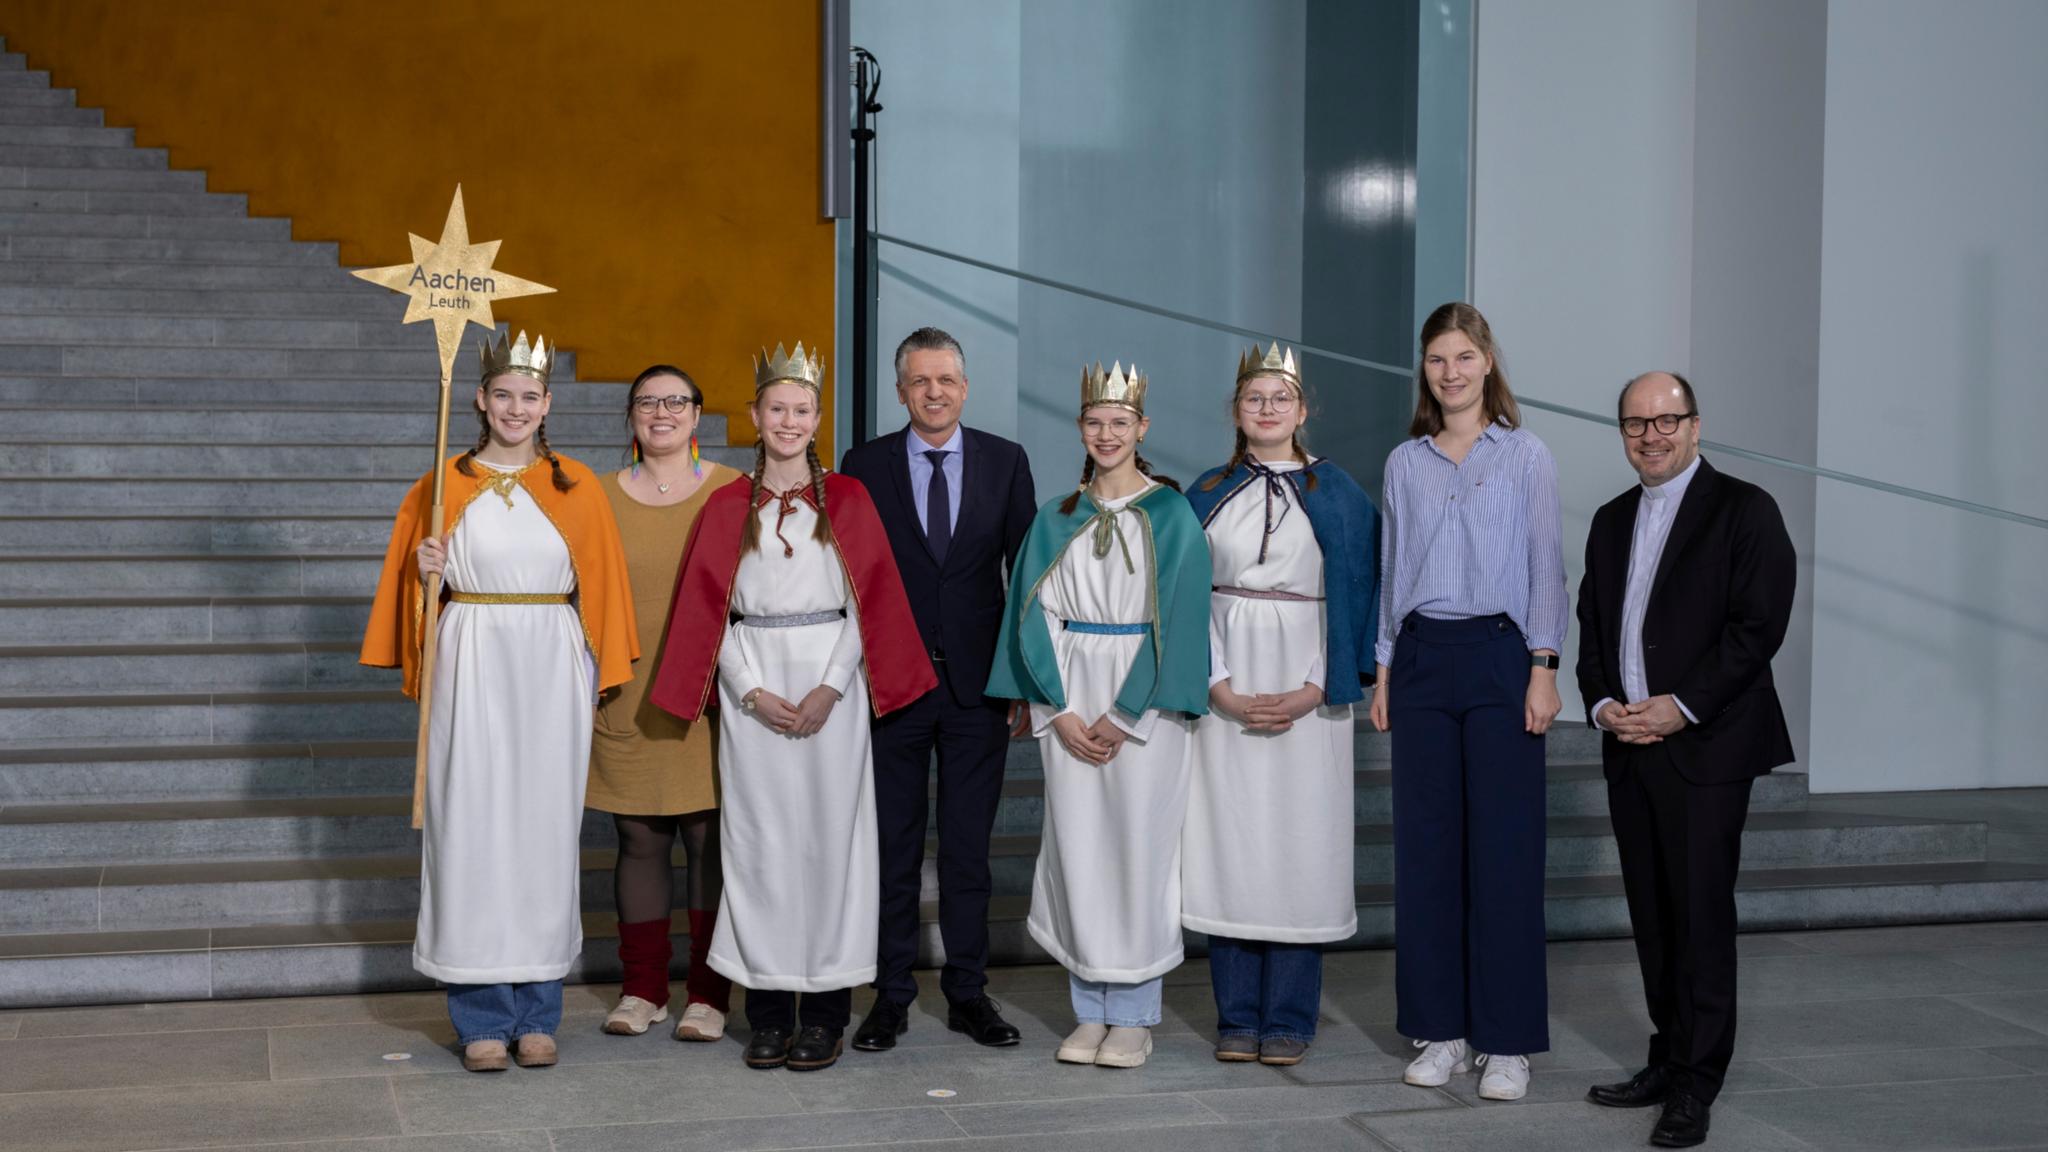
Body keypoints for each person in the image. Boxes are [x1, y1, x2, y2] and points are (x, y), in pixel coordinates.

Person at [647, 342, 935, 1073]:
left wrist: (830, 688)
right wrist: (750, 691)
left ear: (816, 420)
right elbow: (715, 615)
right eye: (776, 408)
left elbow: (863, 608)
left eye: (801, 410)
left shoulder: (847, 501)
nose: (788, 421)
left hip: (831, 690)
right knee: (761, 848)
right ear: (754, 416)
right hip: (754, 696)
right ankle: (769, 1012)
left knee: (830, 847)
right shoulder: (722, 507)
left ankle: (826, 1015)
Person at [361, 331, 637, 1073]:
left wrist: (594, 668)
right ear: (480, 399)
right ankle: (481, 1015)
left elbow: (600, 590)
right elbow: (415, 607)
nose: (516, 408)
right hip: (473, 656)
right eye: (504, 394)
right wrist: (427, 574)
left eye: (530, 396)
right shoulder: (440, 484)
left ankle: (537, 1009)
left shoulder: (576, 484)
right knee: (472, 829)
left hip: (550, 660)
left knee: (542, 832)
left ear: (547, 404)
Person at [1576, 372, 1796, 1149]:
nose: (1651, 435)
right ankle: (1667, 1059)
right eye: (1635, 424)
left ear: (1696, 426)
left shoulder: (1744, 510)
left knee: (1700, 916)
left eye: (1666, 420)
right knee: (1653, 916)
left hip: (1704, 745)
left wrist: (1680, 705)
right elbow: (1594, 632)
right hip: (1631, 745)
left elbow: (1756, 626)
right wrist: (1605, 707)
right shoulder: (1610, 520)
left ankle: (1697, 1084)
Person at [986, 360, 1210, 1070]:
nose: (1106, 434)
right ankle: (1091, 1010)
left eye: (1120, 423)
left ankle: (1136, 1015)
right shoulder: (1058, 517)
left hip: (1142, 706)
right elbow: (1030, 617)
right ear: (1080, 429)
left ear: (1142, 429)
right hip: (1070, 697)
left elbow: (1178, 617)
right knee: (1079, 847)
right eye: (1094, 422)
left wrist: (1123, 713)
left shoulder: (1171, 515)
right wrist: (1060, 709)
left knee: (1137, 851)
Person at [1370, 302, 1566, 1102]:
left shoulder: (1526, 456)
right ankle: (1440, 1031)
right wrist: (1383, 669)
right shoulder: (1403, 462)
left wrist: (1544, 665)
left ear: (1488, 362)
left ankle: (1508, 1041)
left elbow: (1545, 563)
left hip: (1498, 655)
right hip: (1419, 658)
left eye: (1462, 356)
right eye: (1436, 360)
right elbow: (1391, 572)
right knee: (1425, 856)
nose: (1449, 372)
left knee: (1506, 853)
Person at [1182, 343, 1380, 1067]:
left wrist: (1312, 688)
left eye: (1279, 398)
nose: (1267, 409)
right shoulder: (1205, 490)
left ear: (1302, 409)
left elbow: (1356, 593)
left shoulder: (1342, 494)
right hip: (1224, 689)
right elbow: (1184, 595)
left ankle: (1291, 1016)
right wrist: (1220, 684)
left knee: (1298, 846)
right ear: (1236, 411)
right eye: (1253, 398)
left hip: (1310, 690)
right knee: (1231, 842)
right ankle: (1236, 1014)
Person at [838, 327, 1036, 1052]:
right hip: (890, 684)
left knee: (966, 851)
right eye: (920, 381)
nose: (934, 392)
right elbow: (848, 576)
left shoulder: (1006, 462)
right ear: (900, 390)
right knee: (891, 847)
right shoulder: (863, 465)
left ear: (964, 385)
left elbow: (1027, 581)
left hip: (977, 689)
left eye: (946, 379)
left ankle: (967, 993)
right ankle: (889, 995)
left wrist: (1019, 677)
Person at [587, 365, 742, 1041]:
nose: (661, 412)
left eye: (675, 401)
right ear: (630, 416)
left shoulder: (734, 489)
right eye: (647, 402)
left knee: (708, 840)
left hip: (710, 690)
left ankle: (708, 994)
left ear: (697, 415)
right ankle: (642, 988)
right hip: (627, 684)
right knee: (638, 837)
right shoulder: (596, 496)